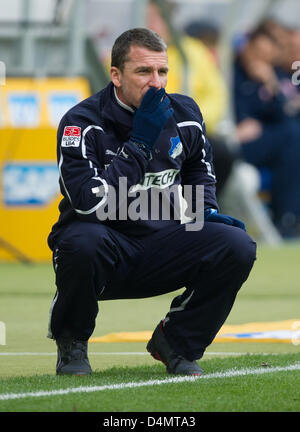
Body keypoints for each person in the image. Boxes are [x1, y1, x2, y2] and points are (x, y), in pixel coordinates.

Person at [47, 28, 256, 376]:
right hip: (104, 244)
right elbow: (89, 204)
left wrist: (204, 212)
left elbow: (198, 174)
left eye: (162, 72)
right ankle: (72, 344)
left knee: (235, 244)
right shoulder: (81, 123)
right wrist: (141, 142)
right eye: (143, 72)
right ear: (116, 75)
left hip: (161, 241)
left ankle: (175, 341)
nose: (156, 83)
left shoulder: (184, 112)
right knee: (82, 241)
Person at [146, 0, 236, 197]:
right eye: (148, 18)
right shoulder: (127, 53)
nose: (151, 24)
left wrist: (189, 120)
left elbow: (217, 95)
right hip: (145, 130)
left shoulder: (194, 51)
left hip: (188, 130)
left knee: (220, 154)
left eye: (157, 18)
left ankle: (199, 210)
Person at [233, 24, 300, 237]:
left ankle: (287, 217)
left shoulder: (272, 76)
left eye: (265, 57)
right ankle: (285, 217)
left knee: (292, 136)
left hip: (263, 140)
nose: (258, 61)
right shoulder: (233, 72)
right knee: (291, 137)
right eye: (256, 53)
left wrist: (271, 84)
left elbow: (284, 117)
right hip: (237, 141)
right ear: (248, 46)